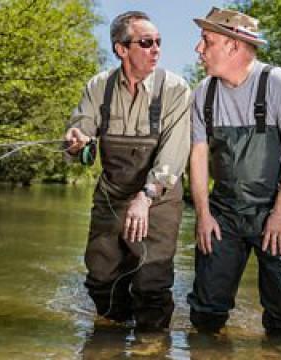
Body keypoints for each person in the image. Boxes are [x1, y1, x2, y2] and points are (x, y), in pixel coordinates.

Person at [187, 7, 281, 335]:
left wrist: (280, 213)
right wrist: (203, 215)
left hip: (275, 207)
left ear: (233, 45)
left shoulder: (278, 83)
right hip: (224, 213)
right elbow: (198, 157)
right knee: (206, 308)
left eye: (206, 41)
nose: (199, 50)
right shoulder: (204, 93)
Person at [65, 11, 191, 331]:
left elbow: (174, 155)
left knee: (151, 285)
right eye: (146, 42)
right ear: (122, 49)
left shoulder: (176, 90)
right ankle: (110, 337)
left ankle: (151, 345)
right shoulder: (98, 86)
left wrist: (146, 196)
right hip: (112, 195)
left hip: (158, 198)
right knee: (100, 280)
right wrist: (76, 142)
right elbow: (80, 135)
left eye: (158, 42)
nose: (156, 49)